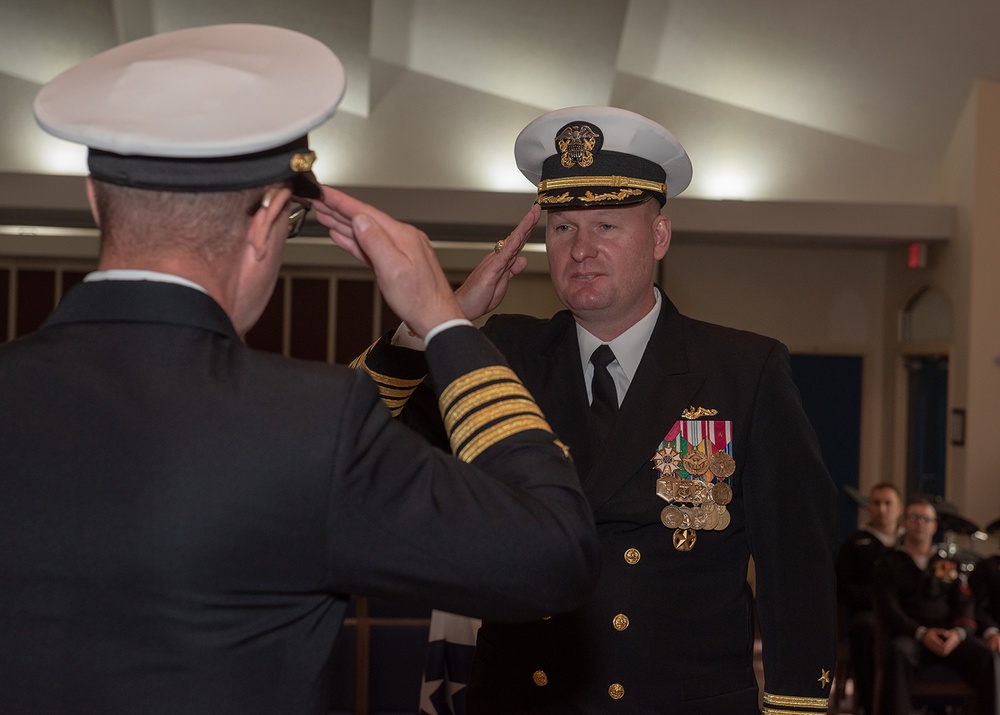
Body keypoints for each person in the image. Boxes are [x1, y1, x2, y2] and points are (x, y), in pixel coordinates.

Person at [0, 25, 601, 714]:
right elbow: (553, 552)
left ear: (94, 200)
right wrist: (445, 323)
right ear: (265, 223)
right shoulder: (310, 425)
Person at [343, 106, 838, 713]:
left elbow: (797, 565)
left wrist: (794, 703)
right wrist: (439, 320)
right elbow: (356, 446)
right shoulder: (504, 354)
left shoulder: (744, 369)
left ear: (658, 237)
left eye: (606, 226)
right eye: (562, 229)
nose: (581, 250)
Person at [874, 498, 999, 714]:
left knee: (987, 656)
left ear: (934, 526)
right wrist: (921, 633)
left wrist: (958, 634)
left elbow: (965, 603)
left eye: (926, 519)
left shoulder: (948, 563)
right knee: (898, 653)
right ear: (903, 522)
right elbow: (889, 608)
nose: (919, 523)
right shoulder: (889, 563)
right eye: (913, 517)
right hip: (912, 637)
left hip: (949, 639)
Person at [835, 481, 903, 714]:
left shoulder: (910, 543)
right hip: (867, 614)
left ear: (899, 508)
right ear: (869, 507)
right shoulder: (854, 544)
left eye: (888, 503)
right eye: (876, 503)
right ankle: (869, 703)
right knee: (865, 627)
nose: (882, 509)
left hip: (907, 615)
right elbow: (841, 588)